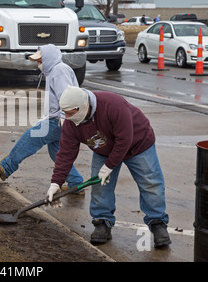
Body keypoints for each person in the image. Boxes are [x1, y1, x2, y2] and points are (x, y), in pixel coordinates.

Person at [46, 86, 171, 248]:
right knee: (100, 186)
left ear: (83, 106)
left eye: (70, 113)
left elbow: (125, 139)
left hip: (138, 144)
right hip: (104, 149)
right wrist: (56, 182)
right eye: (65, 113)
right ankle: (102, 222)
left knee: (151, 183)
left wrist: (109, 166)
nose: (67, 117)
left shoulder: (114, 105)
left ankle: (157, 222)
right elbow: (65, 153)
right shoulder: (71, 124)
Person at [0, 44, 83, 189]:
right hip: (59, 118)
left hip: (61, 119)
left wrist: (64, 118)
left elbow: (67, 96)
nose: (38, 64)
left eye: (40, 60)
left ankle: (6, 168)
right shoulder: (54, 71)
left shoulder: (59, 70)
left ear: (49, 59)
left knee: (31, 137)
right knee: (57, 153)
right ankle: (76, 183)